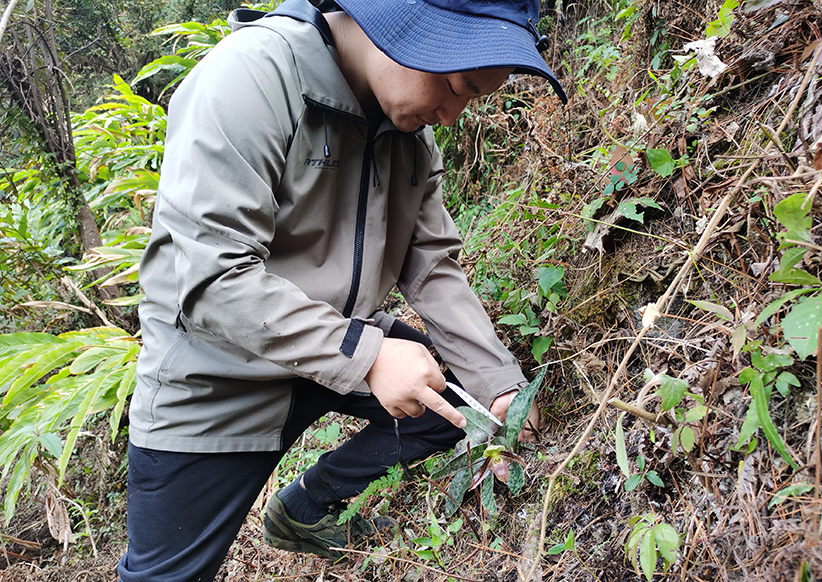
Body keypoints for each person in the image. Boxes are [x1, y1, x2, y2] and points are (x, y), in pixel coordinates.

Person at [117, 0, 566, 580]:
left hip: (335, 348)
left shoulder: (408, 134)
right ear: (402, 24)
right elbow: (212, 277)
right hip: (216, 379)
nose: (452, 115)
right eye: (456, 85)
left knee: (452, 406)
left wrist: (498, 386)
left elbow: (430, 265)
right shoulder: (252, 79)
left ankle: (304, 507)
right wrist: (371, 355)